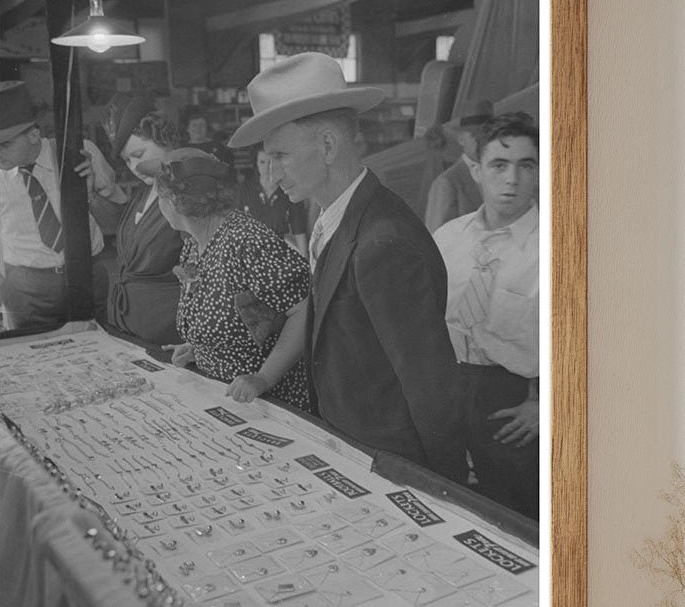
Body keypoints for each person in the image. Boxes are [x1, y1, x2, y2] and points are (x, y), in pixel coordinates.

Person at [228, 52, 463, 480]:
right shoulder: (337, 216)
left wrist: (446, 488)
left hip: (392, 458)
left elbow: (429, 383)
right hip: (355, 443)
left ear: (329, 146)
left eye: (280, 155)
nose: (274, 173)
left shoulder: (381, 242)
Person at [433, 112, 540, 519]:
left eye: (525, 166)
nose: (512, 179)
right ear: (476, 170)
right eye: (499, 165)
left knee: (514, 510)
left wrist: (546, 406)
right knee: (454, 503)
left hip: (514, 398)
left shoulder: (558, 245)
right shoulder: (448, 238)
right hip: (449, 385)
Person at [156, 149, 311, 411]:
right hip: (220, 395)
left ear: (172, 201)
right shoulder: (194, 244)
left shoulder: (248, 241)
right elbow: (236, 318)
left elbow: (304, 309)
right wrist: (200, 347)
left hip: (268, 404)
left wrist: (263, 378)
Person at [0, 81, 113, 331]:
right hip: (27, 290)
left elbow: (117, 221)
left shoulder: (78, 154)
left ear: (34, 135)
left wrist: (91, 194)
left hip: (87, 279)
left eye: (4, 144)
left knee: (99, 355)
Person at [80, 94, 186, 345]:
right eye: (127, 160)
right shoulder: (148, 188)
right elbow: (126, 226)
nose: (135, 167)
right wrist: (90, 194)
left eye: (139, 154)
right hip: (131, 329)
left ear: (166, 138)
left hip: (169, 336)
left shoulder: (189, 190)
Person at [423, 100, 492, 234]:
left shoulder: (502, 175)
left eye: (488, 136)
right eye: (475, 136)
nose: (483, 142)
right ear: (461, 139)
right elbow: (436, 238)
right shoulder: (446, 183)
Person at [238, 145, 309, 254]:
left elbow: (299, 230)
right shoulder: (244, 191)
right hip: (248, 255)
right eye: (262, 162)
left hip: (278, 255)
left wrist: (306, 264)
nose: (267, 168)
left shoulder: (289, 191)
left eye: (271, 162)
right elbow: (234, 228)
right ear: (255, 164)